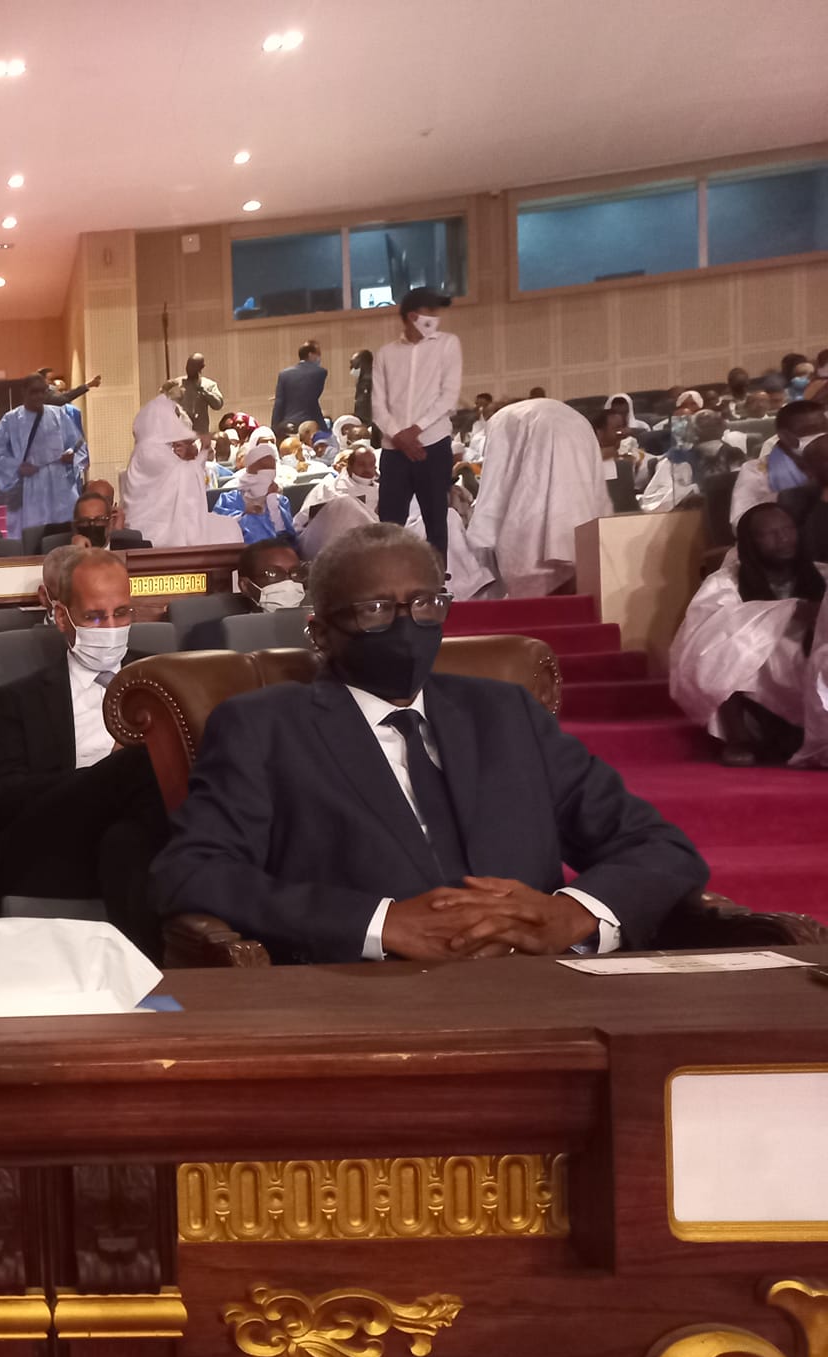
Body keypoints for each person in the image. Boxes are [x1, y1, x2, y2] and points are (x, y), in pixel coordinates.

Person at [149, 524, 708, 963]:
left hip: (541, 986)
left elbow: (658, 847)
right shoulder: (265, 727)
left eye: (424, 604)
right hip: (368, 998)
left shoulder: (506, 714)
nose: (406, 626)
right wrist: (379, 923)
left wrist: (571, 915)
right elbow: (193, 871)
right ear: (320, 633)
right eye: (374, 610)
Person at [0, 547, 171, 956]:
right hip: (55, 838)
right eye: (95, 617)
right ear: (61, 616)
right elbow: (5, 795)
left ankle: (144, 973)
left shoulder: (165, 681)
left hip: (141, 838)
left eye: (121, 613)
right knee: (138, 762)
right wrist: (102, 776)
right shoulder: (21, 697)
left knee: (125, 841)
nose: (111, 627)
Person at [669, 502, 827, 767]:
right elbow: (705, 633)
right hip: (758, 676)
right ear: (750, 543)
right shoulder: (725, 582)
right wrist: (789, 611)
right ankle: (738, 738)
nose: (783, 538)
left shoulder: (822, 575)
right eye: (770, 533)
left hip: (811, 669)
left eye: (788, 529)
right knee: (727, 646)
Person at [465, 397, 606, 599]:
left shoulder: (504, 418)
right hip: (584, 522)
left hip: (532, 525)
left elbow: (497, 479)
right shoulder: (573, 416)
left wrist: (480, 532)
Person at [371, 288, 462, 555]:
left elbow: (448, 396)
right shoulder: (386, 353)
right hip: (393, 449)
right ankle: (388, 576)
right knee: (389, 524)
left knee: (436, 521)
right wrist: (399, 436)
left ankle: (437, 578)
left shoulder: (448, 344)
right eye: (430, 311)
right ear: (412, 316)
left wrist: (415, 430)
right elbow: (377, 405)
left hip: (433, 444)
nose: (436, 317)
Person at [118, 395, 237, 549]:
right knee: (227, 530)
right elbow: (185, 474)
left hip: (166, 518)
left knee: (229, 526)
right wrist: (203, 451)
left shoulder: (156, 448)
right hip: (155, 524)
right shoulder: (150, 450)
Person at [0, 375, 90, 542]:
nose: (39, 396)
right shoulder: (11, 420)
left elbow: (79, 445)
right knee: (32, 537)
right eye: (34, 392)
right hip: (29, 489)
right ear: (24, 392)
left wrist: (72, 456)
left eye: (42, 392)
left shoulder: (59, 415)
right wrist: (17, 467)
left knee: (63, 536)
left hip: (60, 487)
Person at [296, 444, 383, 560]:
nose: (367, 469)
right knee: (345, 503)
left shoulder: (383, 492)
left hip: (368, 547)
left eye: (371, 465)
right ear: (350, 467)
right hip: (324, 545)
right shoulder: (327, 487)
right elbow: (302, 521)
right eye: (362, 464)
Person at [216, 442, 298, 547]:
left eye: (272, 468)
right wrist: (243, 515)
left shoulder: (281, 501)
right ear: (250, 469)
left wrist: (272, 502)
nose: (268, 472)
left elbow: (287, 537)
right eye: (263, 467)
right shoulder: (228, 500)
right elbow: (218, 529)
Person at [271, 341, 328, 439]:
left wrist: (274, 428)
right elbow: (312, 398)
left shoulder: (284, 374)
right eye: (318, 354)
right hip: (310, 422)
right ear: (311, 355)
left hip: (288, 422)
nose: (320, 357)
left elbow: (279, 403)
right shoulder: (320, 372)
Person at [166, 354, 224, 436]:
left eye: (193, 366)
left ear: (201, 367)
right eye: (188, 365)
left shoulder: (208, 385)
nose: (190, 369)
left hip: (200, 433)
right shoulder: (177, 383)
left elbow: (218, 405)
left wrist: (204, 391)